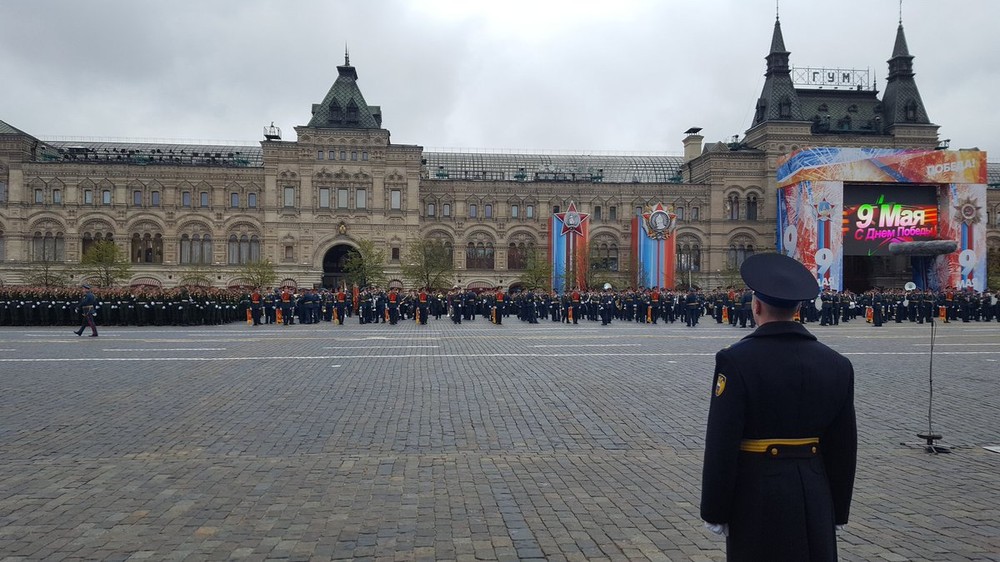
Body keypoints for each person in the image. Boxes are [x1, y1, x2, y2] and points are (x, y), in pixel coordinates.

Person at [700, 253, 857, 562]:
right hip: (815, 492)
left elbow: (722, 442)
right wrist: (837, 510)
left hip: (756, 494)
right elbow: (844, 448)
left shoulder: (736, 361)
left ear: (755, 307)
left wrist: (715, 509)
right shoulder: (838, 364)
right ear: (798, 308)